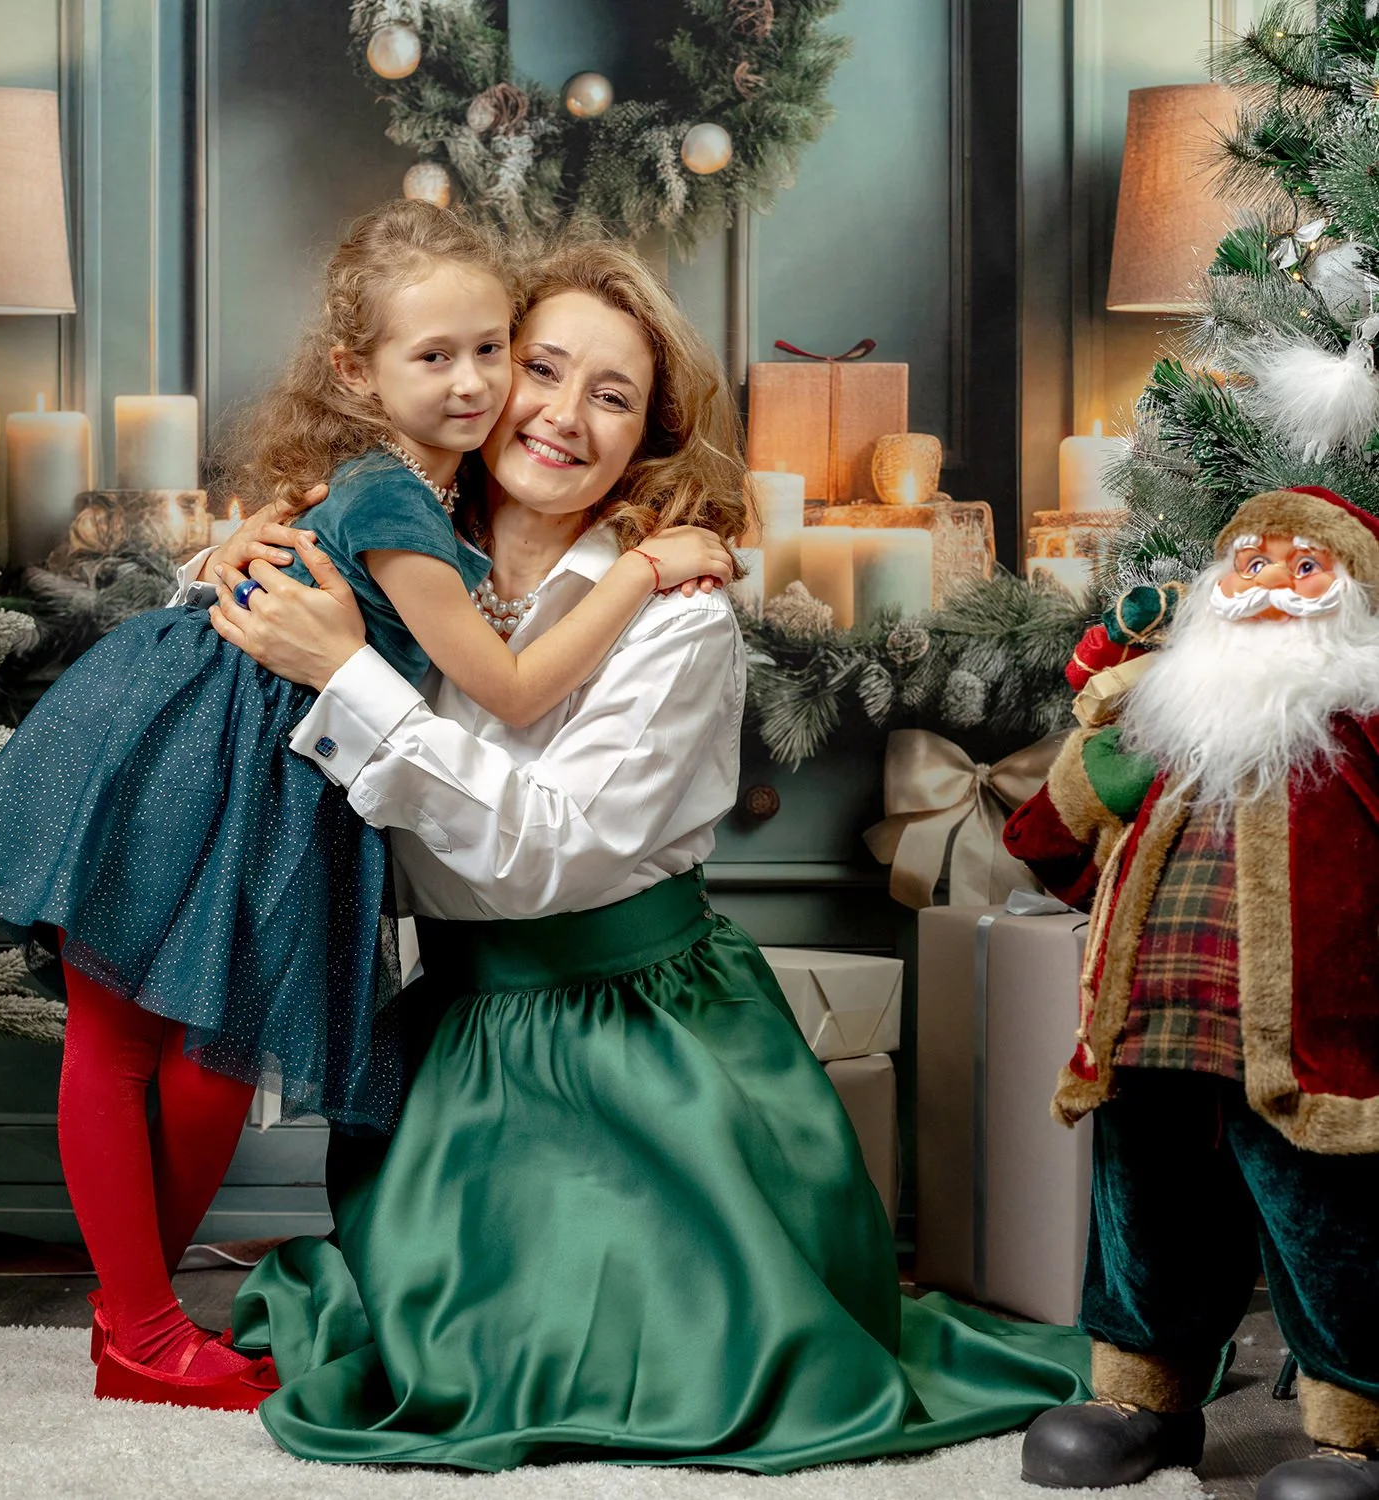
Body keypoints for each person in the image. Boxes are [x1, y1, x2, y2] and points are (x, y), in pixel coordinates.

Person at [195, 235, 1093, 1471]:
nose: (563, 416)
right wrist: (233, 558)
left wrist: (344, 674)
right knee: (449, 1354)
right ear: (479, 376)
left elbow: (546, 859)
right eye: (541, 369)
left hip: (650, 1047)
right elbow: (221, 644)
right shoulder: (392, 550)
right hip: (460, 1038)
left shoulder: (679, 614)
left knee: (647, 1354)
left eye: (611, 396)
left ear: (652, 437)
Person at [0, 202, 727, 1412]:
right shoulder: (402, 498)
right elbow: (499, 681)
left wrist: (247, 549)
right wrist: (649, 572)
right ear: (358, 371)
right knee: (132, 1037)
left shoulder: (433, 500)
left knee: (212, 1055)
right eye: (448, 356)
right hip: (196, 746)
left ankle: (131, 1317)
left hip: (275, 770)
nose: (486, 386)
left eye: (492, 350)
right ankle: (137, 1324)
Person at [1004, 486, 1379, 1499]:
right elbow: (1044, 842)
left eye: (1306, 569)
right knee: (1145, 1216)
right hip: (1145, 1034)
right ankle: (1143, 1395)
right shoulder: (1161, 722)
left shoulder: (1364, 728)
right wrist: (1099, 763)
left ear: (1350, 597)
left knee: (1330, 1226)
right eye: (1253, 565)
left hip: (1310, 1048)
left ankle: (1359, 1424)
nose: (1272, 588)